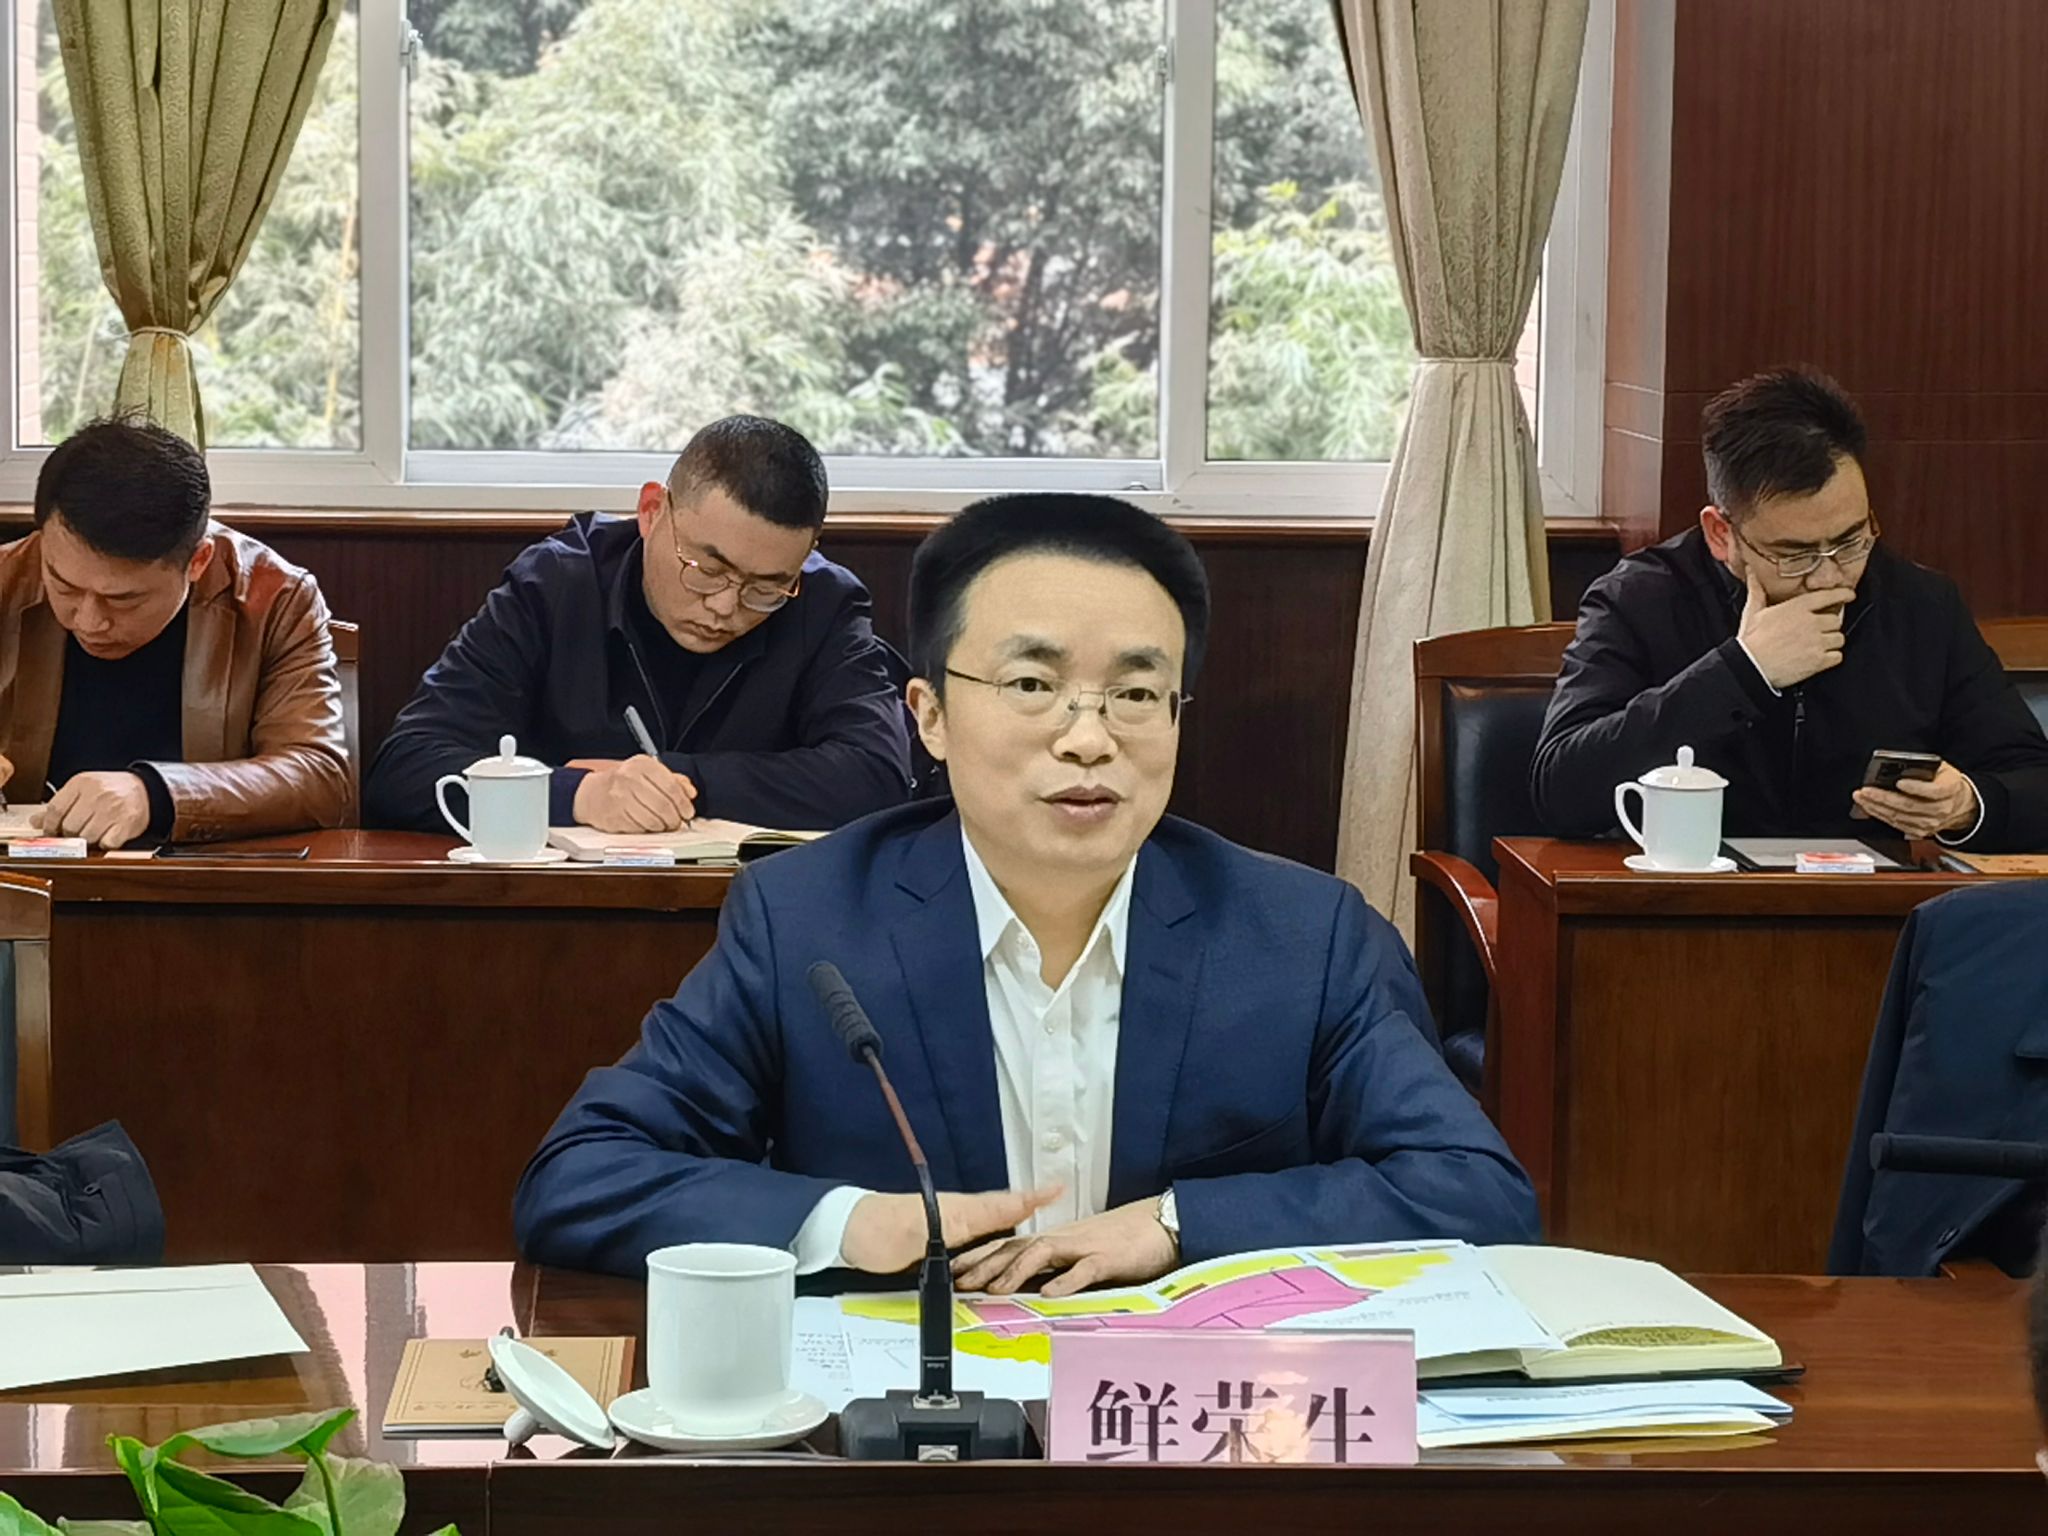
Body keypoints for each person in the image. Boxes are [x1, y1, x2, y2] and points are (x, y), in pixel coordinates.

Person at [514, 493, 1538, 1287]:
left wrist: (1178, 1224)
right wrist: (851, 1223)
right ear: (930, 716)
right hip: (913, 1445)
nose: (1088, 737)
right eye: (1033, 685)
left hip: (1192, 1440)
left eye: (1135, 693)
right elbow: (584, 1175)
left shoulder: (1305, 936)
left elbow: (1475, 1192)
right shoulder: (807, 920)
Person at [1532, 367, 2048, 850]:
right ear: (1721, 533)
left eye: (1850, 540)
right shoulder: (1642, 600)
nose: (1829, 577)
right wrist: (1743, 670)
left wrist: (1968, 805)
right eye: (1795, 555)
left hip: (1871, 906)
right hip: (1684, 901)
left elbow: (2031, 778)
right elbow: (1560, 789)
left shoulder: (1920, 606)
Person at [364, 415, 911, 835]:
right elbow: (406, 769)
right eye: (707, 569)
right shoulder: (557, 585)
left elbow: (879, 775)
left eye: (766, 588)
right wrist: (581, 794)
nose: (726, 606)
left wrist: (681, 780)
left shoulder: (823, 603)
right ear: (652, 511)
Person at [0, 417, 351, 848]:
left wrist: (157, 793)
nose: (88, 621)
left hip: (198, 878)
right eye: (64, 585)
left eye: (124, 599)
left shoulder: (274, 598)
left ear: (198, 561)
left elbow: (319, 776)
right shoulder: (6, 579)